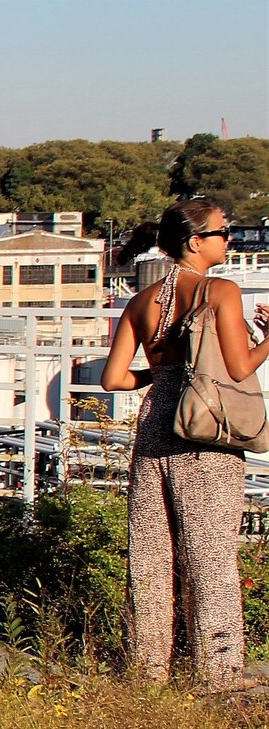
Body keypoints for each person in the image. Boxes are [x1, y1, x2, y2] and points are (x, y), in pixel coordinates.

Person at [97, 199, 269, 690]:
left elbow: (112, 379)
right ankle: (218, 673)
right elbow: (237, 368)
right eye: (223, 232)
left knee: (150, 549)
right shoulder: (221, 291)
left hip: (156, 423)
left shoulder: (141, 300)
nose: (230, 239)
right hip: (204, 428)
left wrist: (165, 374)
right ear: (195, 241)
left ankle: (147, 670)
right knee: (209, 551)